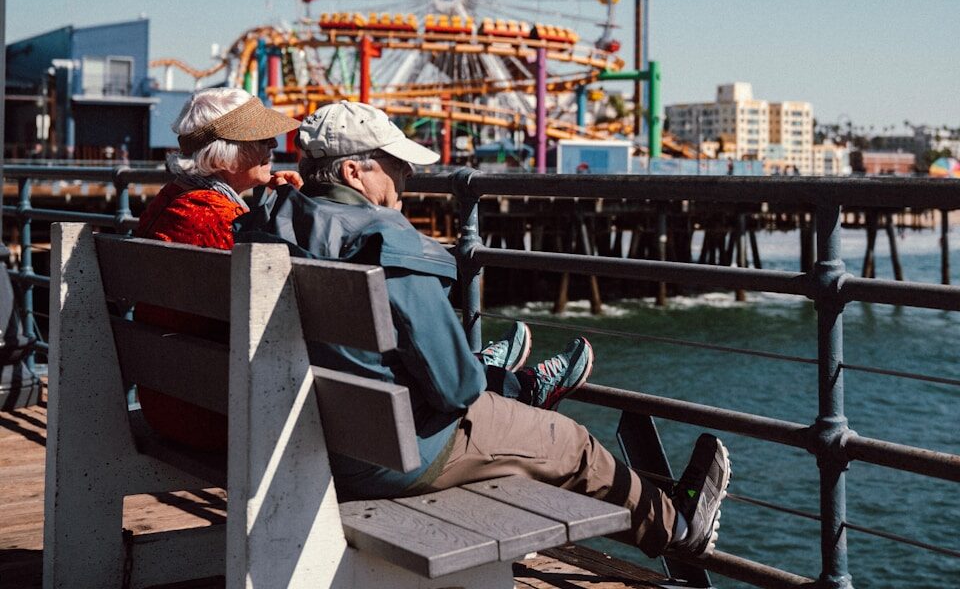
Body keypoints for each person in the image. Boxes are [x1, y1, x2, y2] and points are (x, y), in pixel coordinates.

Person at [235, 100, 731, 559]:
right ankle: (680, 528)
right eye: (394, 162)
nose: (406, 173)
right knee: (570, 444)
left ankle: (523, 402)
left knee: (515, 425)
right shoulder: (380, 240)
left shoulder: (269, 222)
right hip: (392, 457)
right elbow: (456, 390)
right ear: (352, 171)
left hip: (303, 438)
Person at [135, 87, 301, 449]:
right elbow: (285, 306)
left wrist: (267, 206)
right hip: (217, 413)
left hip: (168, 400)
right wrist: (300, 211)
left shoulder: (170, 200)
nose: (273, 144)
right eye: (260, 138)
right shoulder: (220, 218)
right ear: (224, 157)